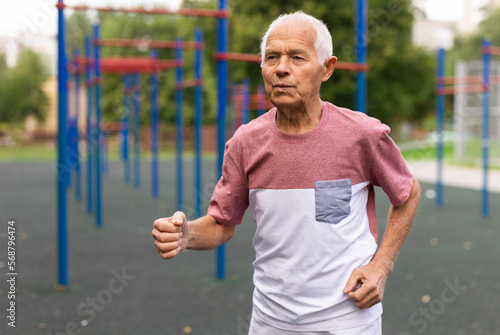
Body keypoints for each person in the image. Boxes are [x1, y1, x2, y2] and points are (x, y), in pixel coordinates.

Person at [152, 11, 421, 335]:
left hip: (348, 319)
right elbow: (221, 224)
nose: (281, 68)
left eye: (296, 57)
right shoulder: (245, 143)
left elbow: (408, 193)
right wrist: (185, 236)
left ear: (327, 69)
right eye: (271, 57)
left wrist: (381, 265)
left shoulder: (361, 135)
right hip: (270, 321)